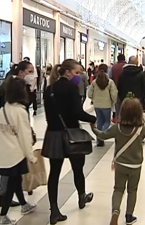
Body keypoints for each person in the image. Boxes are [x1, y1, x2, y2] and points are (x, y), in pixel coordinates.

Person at [42, 59, 97, 224]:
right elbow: (77, 112)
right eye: (77, 72)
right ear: (68, 72)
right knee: (77, 168)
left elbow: (48, 114)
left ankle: (54, 210)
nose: (79, 76)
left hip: (53, 134)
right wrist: (93, 118)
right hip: (72, 134)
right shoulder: (72, 88)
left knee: (55, 172)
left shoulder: (49, 89)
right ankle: (81, 195)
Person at [90, 98, 145, 225]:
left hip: (120, 164)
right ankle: (129, 216)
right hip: (135, 165)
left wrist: (93, 128)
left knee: (118, 189)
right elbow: (142, 138)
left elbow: (103, 135)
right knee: (132, 190)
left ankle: (115, 212)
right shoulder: (141, 129)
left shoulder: (117, 128)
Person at [0, 76, 38, 225]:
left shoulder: (4, 109)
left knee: (16, 180)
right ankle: (3, 216)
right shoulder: (20, 112)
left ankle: (24, 204)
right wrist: (31, 156)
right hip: (16, 154)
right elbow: (25, 137)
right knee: (13, 184)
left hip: (5, 154)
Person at [88, 64, 117, 147]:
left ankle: (99, 138)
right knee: (107, 121)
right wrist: (113, 101)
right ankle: (102, 136)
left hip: (97, 105)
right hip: (107, 105)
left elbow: (90, 94)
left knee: (100, 121)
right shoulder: (110, 82)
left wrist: (93, 99)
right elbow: (114, 94)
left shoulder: (94, 82)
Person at [109, 54, 126, 122]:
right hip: (125, 89)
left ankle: (117, 119)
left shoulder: (113, 67)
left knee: (117, 105)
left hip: (115, 88)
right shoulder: (126, 66)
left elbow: (110, 77)